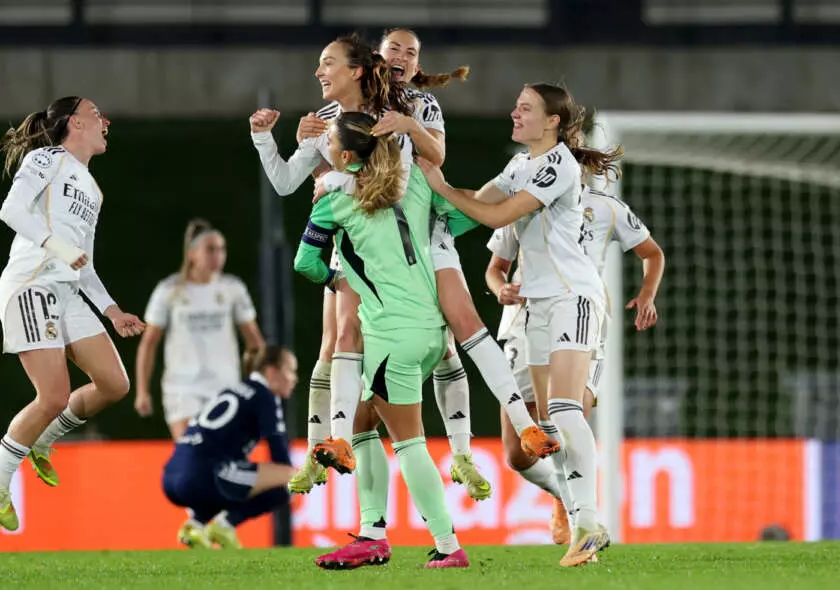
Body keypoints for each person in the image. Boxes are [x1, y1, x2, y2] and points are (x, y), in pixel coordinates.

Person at [252, 30, 553, 501]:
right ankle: (326, 452)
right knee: (339, 341)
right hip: (360, 243)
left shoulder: (414, 106)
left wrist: (339, 178)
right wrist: (272, 141)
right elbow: (291, 181)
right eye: (393, 49)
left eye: (411, 52)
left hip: (419, 234)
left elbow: (422, 167)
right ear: (376, 58)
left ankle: (479, 446)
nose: (400, 57)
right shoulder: (327, 119)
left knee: (453, 331)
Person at [418, 83, 622, 566]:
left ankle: (589, 522)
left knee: (567, 409)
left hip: (574, 296)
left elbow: (497, 214)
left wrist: (440, 186)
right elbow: (474, 201)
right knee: (541, 429)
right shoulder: (518, 166)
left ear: (551, 121)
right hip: (535, 308)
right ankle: (578, 523)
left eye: (525, 108)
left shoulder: (558, 165)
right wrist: (420, 203)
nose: (515, 112)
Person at [294, 111, 475, 569]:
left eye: (331, 143)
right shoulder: (411, 184)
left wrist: (340, 278)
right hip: (434, 334)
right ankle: (372, 533)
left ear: (346, 156)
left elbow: (306, 264)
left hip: (390, 337)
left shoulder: (331, 202)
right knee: (359, 421)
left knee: (409, 442)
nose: (327, 148)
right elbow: (463, 218)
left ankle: (448, 546)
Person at [0, 96, 145, 531]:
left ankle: (43, 442)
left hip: (67, 292)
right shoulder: (46, 157)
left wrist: (111, 310)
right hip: (31, 283)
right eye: (97, 114)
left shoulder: (92, 187)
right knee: (52, 396)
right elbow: (11, 210)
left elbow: (82, 260)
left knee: (113, 384)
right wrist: (57, 247)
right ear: (75, 122)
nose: (105, 120)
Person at [485, 184, 664, 544]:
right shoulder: (520, 205)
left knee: (570, 413)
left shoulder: (604, 207)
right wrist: (499, 288)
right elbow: (495, 269)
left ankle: (584, 520)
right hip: (525, 321)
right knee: (517, 454)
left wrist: (647, 295)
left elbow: (652, 252)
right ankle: (563, 495)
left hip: (583, 317)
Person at [135, 218, 264, 439]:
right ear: (192, 253)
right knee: (190, 454)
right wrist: (142, 391)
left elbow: (255, 343)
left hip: (225, 386)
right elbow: (149, 342)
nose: (218, 255)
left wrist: (256, 385)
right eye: (210, 249)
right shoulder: (169, 291)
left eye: (221, 249)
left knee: (221, 460)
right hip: (183, 388)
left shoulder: (233, 289)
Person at [162, 345, 298, 550]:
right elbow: (280, 457)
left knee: (236, 473)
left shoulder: (233, 390)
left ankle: (194, 526)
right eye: (290, 370)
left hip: (170, 477)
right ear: (272, 372)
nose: (294, 378)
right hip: (203, 476)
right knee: (294, 479)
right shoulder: (265, 396)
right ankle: (225, 525)